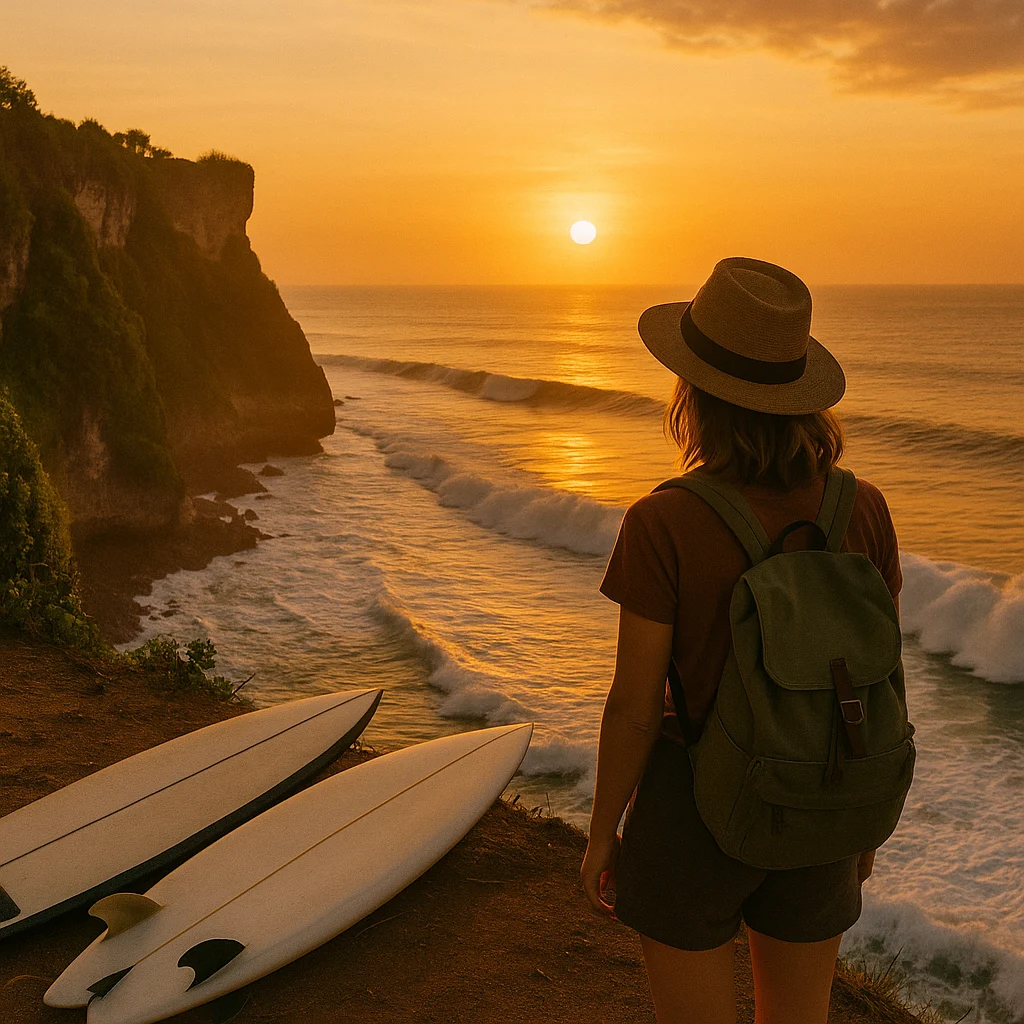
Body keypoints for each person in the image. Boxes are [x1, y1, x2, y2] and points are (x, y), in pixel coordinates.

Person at [580, 257, 903, 1024]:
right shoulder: (865, 509)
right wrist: (866, 812)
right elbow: (881, 679)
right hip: (822, 796)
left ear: (692, 394)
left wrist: (601, 834)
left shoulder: (664, 521)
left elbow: (633, 704)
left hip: (692, 811)